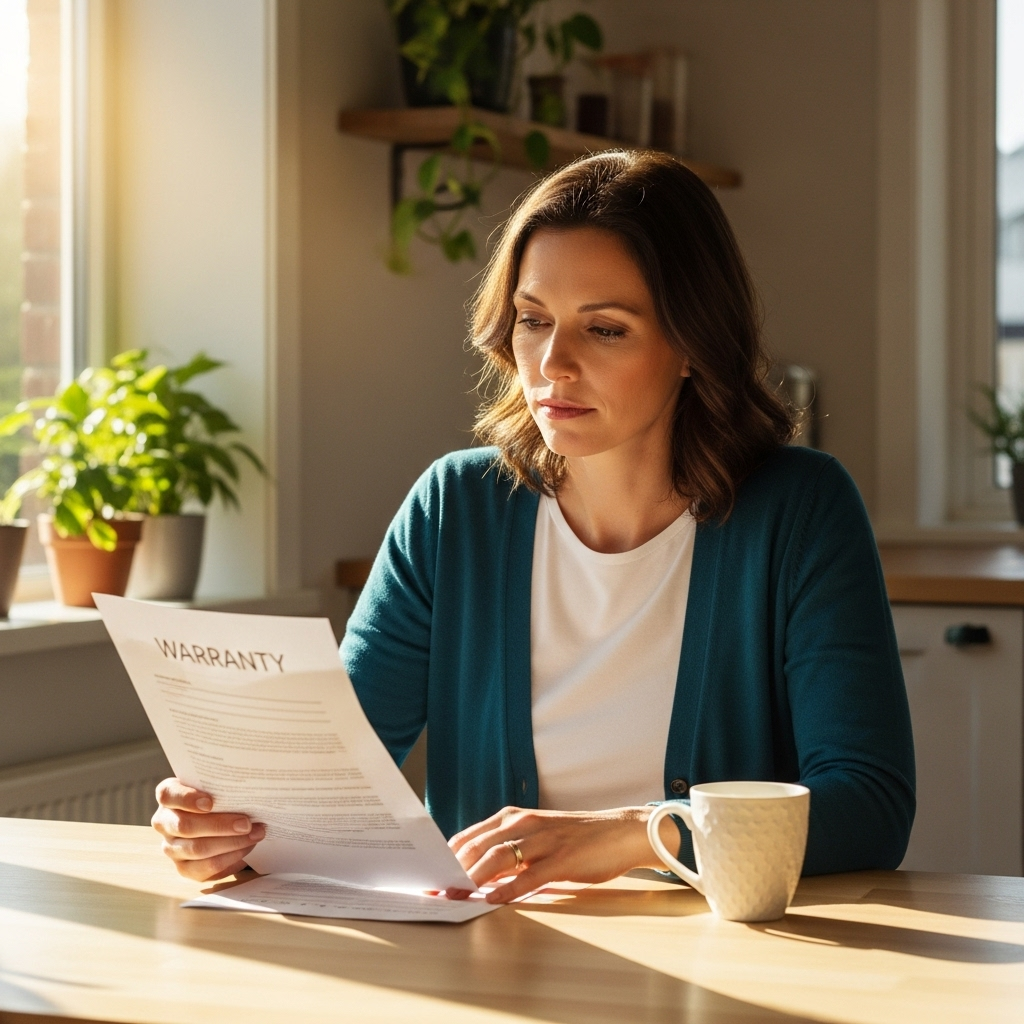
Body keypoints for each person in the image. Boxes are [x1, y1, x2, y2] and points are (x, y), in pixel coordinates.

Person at [151, 150, 915, 903]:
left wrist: (633, 834)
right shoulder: (455, 508)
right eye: (532, 320)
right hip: (496, 954)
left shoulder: (801, 509)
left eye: (605, 329)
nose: (552, 364)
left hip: (723, 963)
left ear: (690, 343)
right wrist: (233, 839)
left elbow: (869, 805)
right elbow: (333, 788)